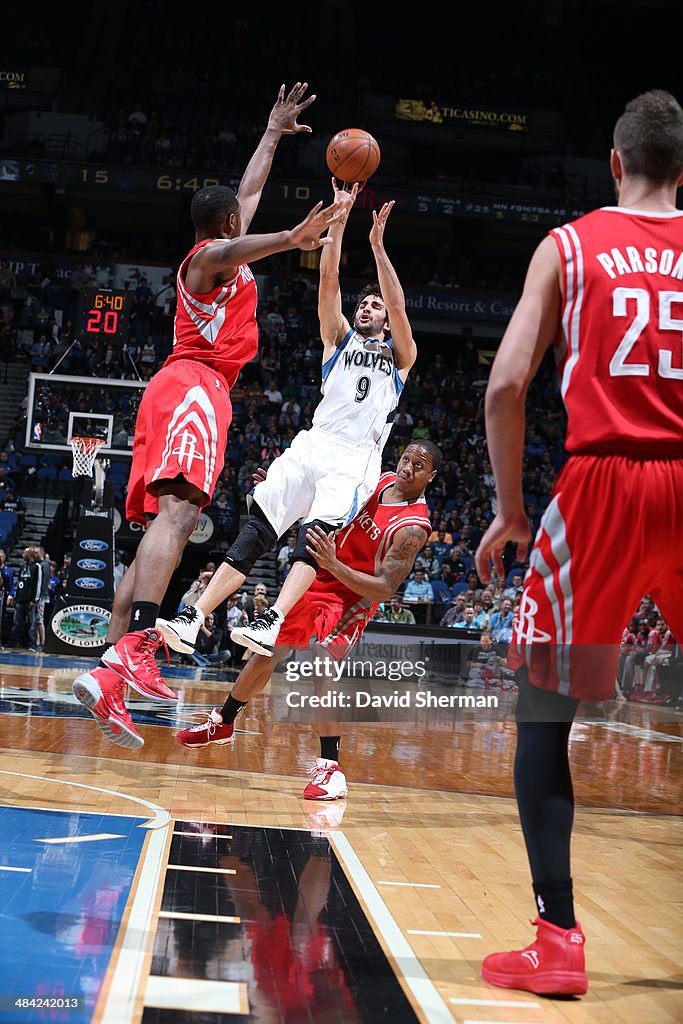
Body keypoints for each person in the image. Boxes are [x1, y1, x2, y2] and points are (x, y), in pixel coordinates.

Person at [474, 90, 683, 997]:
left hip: (598, 483)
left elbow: (505, 387)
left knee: (542, 715)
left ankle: (557, 940)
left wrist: (512, 510)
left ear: (613, 162)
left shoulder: (566, 246)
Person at [72, 82, 344, 747]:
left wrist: (273, 132)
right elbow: (229, 249)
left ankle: (109, 674)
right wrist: (292, 237)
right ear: (224, 229)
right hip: (194, 385)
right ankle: (139, 641)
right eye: (237, 224)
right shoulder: (205, 259)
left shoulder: (220, 238)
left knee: (154, 530)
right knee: (179, 517)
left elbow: (244, 196)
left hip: (181, 390)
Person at [159, 177, 417, 659]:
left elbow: (399, 305)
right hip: (315, 440)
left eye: (373, 305)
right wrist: (338, 222)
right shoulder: (337, 339)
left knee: (313, 533)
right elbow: (328, 282)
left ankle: (271, 619)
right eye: (363, 303)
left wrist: (378, 247)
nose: (367, 307)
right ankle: (195, 615)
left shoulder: (401, 356)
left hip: (355, 457)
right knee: (261, 522)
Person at [174, 442, 439, 799]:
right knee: (267, 651)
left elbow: (384, 588)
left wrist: (334, 565)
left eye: (418, 465)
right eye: (406, 458)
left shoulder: (414, 526)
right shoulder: (380, 479)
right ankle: (223, 722)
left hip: (352, 595)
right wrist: (288, 493)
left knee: (322, 662)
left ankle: (332, 769)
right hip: (318, 576)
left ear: (430, 476)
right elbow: (329, 501)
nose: (407, 467)